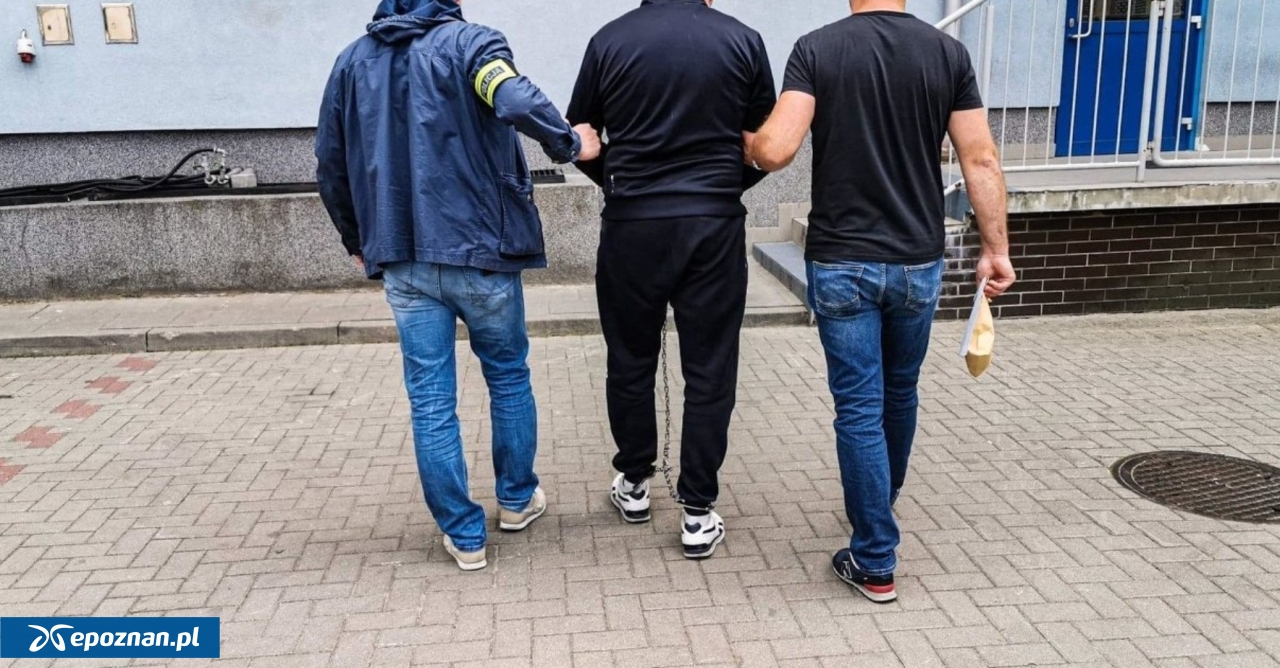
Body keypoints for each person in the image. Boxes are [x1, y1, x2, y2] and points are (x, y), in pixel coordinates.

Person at [315, 0, 600, 572]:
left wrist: (356, 237)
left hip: (402, 253)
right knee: (508, 376)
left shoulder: (352, 61)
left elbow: (331, 159)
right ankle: (516, 501)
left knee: (430, 399)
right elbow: (514, 99)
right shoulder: (472, 45)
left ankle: (464, 535)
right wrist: (569, 143)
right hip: (481, 249)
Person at [749, 0, 1016, 601]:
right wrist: (995, 249)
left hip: (842, 260)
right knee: (900, 390)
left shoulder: (817, 49)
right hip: (917, 258)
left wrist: (750, 142)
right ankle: (879, 502)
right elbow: (980, 158)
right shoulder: (947, 53)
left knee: (859, 407)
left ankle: (874, 557)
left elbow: (777, 150)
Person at [567, 0, 776, 560]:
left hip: (632, 225)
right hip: (713, 224)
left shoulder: (609, 39)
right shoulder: (742, 39)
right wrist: (721, 189)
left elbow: (579, 135)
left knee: (630, 359)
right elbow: (764, 143)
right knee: (710, 369)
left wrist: (619, 181)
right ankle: (698, 511)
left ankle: (635, 482)